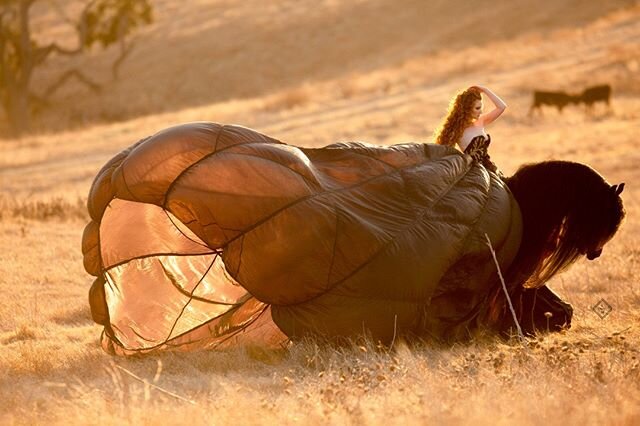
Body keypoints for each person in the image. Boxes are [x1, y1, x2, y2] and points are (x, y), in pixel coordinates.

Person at [434, 86, 507, 177]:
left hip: (490, 168)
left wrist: (485, 90)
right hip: (475, 172)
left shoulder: (481, 121)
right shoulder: (456, 129)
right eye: (477, 108)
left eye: (481, 108)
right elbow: (444, 151)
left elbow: (502, 107)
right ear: (466, 109)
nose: (480, 112)